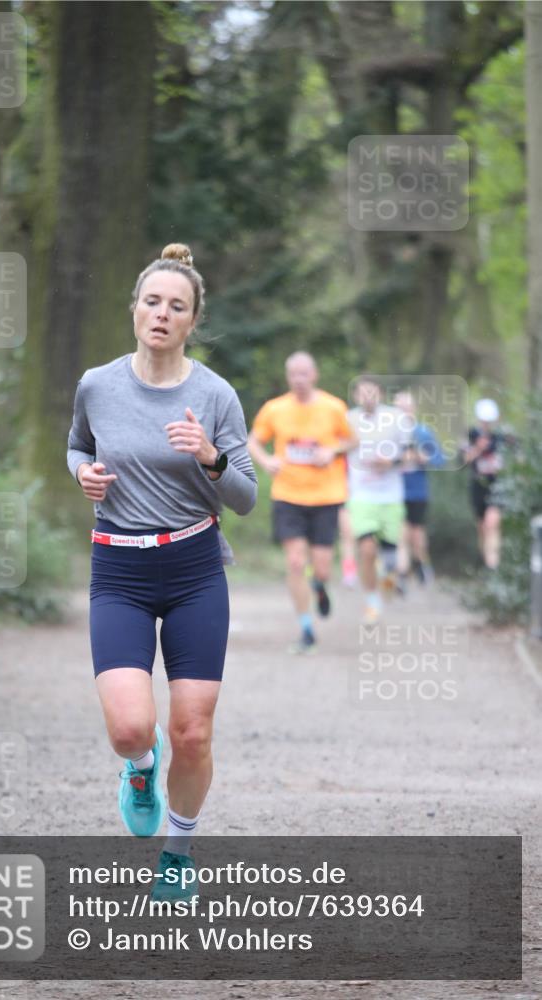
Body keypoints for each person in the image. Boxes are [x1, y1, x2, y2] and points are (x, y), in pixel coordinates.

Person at [67, 243, 257, 899]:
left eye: (177, 306)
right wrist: (83, 475)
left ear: (192, 320)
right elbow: (76, 445)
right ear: (134, 309)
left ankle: (177, 854)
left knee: (193, 731)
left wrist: (209, 456)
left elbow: (245, 497)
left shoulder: (214, 395)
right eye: (152, 301)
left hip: (193, 569)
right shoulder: (97, 385)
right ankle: (140, 767)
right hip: (118, 569)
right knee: (129, 729)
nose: (162, 314)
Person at [248, 352, 356, 653]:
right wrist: (266, 460)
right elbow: (253, 441)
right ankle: (306, 629)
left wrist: (332, 451)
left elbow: (353, 440)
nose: (299, 379)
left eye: (304, 373)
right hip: (288, 495)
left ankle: (320, 586)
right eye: (293, 374)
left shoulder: (334, 407)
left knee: (322, 566)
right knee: (295, 562)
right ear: (288, 377)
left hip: (326, 496)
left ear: (314, 375)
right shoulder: (275, 409)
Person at [347, 375, 407, 624]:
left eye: (371, 392)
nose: (367, 397)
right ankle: (372, 601)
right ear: (355, 396)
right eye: (362, 393)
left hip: (391, 495)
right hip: (361, 495)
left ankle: (389, 576)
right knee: (367, 549)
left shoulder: (396, 418)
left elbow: (413, 454)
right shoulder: (347, 420)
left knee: (390, 557)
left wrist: (390, 461)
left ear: (380, 393)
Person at [394, 390, 445, 590]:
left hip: (417, 491)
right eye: (399, 409)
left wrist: (423, 457)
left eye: (406, 408)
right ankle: (401, 574)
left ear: (413, 409)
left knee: (416, 533)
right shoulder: (389, 434)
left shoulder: (423, 432)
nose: (403, 413)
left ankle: (422, 564)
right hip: (394, 492)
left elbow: (440, 459)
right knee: (401, 532)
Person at [462, 398, 506, 569]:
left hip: (498, 487)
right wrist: (478, 448)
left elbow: (516, 460)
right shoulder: (470, 436)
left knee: (491, 523)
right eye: (483, 420)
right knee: (482, 527)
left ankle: (493, 567)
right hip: (478, 488)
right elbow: (462, 461)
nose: (486, 424)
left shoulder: (502, 438)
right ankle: (485, 562)